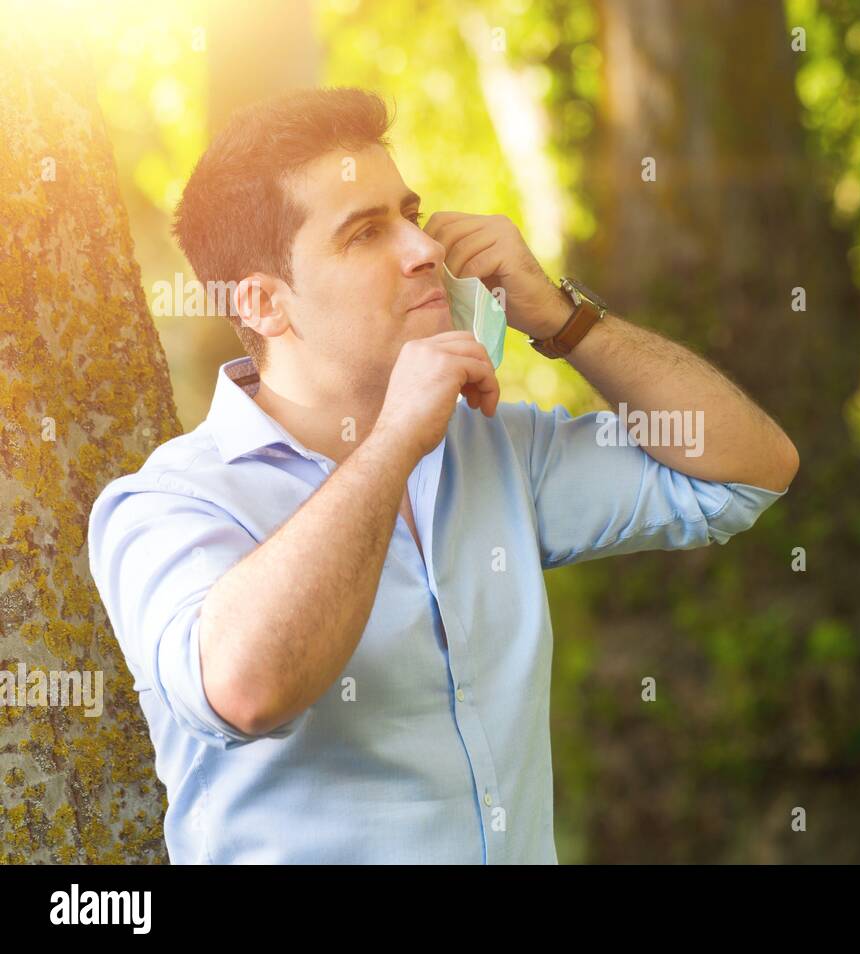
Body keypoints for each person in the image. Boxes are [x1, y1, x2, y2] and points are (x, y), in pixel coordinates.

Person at [86, 86, 798, 863]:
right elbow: (246, 690)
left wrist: (562, 318)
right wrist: (393, 441)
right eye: (364, 233)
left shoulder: (496, 448)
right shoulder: (167, 505)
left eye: (409, 214)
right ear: (262, 303)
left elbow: (747, 471)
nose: (423, 249)